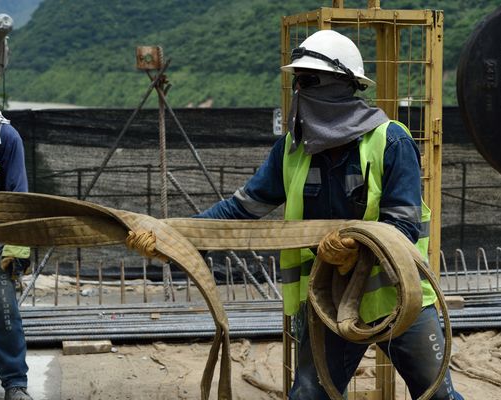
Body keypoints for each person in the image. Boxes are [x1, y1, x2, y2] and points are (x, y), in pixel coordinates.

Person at [195, 29, 463, 400]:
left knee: (438, 396)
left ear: (340, 85)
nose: (299, 92)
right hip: (331, 303)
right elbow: (243, 207)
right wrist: (181, 237)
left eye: (307, 81)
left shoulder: (391, 141)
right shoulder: (292, 150)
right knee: (309, 395)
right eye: (297, 82)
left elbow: (402, 224)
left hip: (399, 298)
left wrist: (356, 249)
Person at [0, 108, 33, 400]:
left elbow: (19, 195)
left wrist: (16, 249)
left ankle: (14, 383)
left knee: (3, 307)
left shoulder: (6, 137)